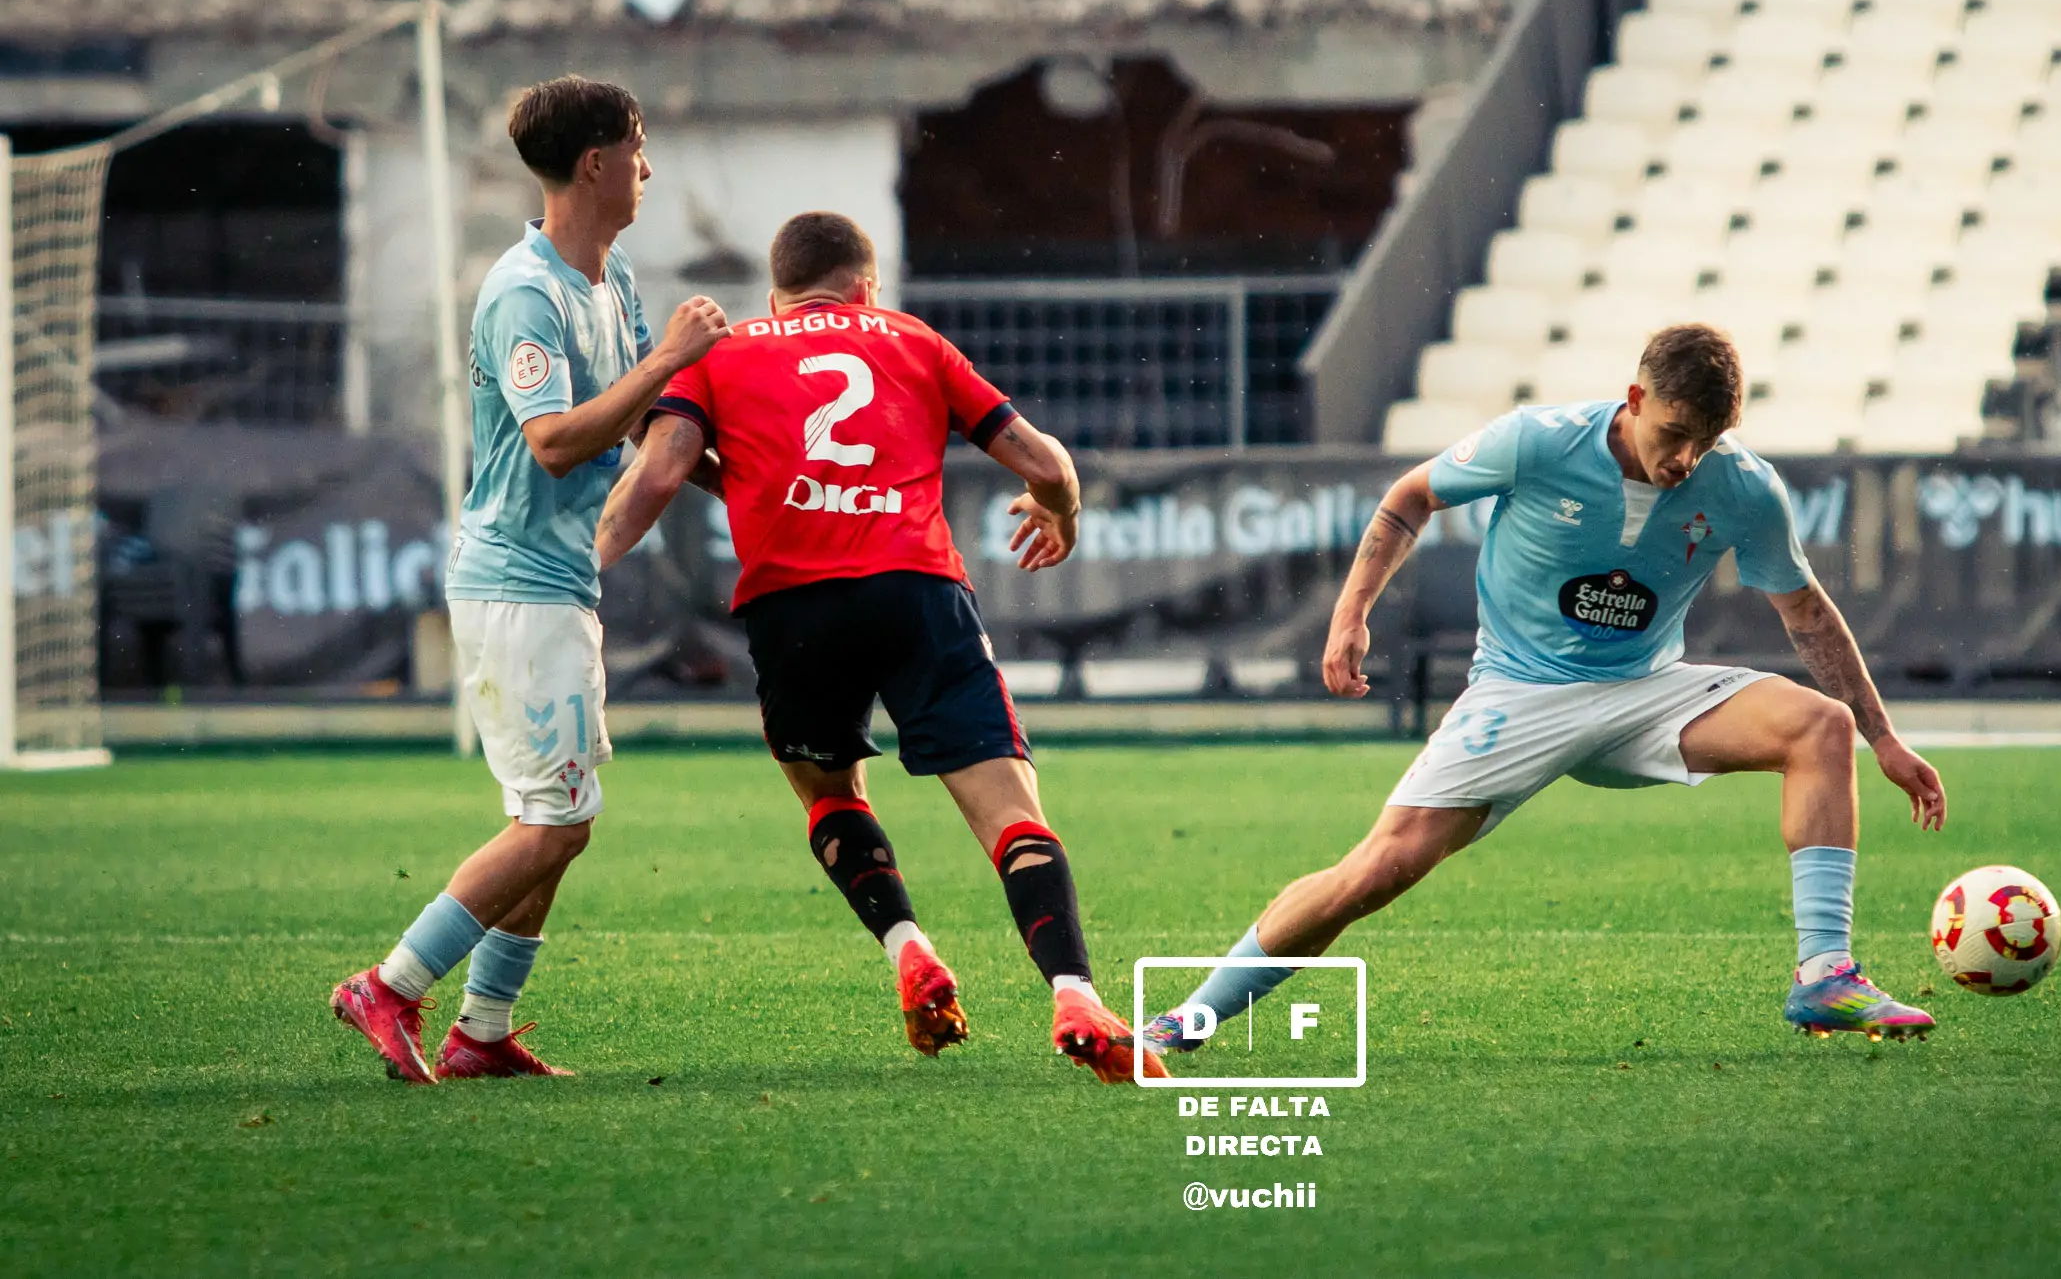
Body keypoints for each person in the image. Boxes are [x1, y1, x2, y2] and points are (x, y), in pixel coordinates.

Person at [1146, 323, 1948, 1054]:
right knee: (1376, 870)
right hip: (1520, 691)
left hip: (1645, 690)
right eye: (1673, 434)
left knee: (1821, 726)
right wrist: (1350, 615)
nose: (1684, 462)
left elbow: (1805, 611)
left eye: (1706, 443)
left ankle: (1824, 975)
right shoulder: (1537, 442)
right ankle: (1189, 1017)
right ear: (1635, 400)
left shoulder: (1743, 488)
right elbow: (1409, 497)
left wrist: (1884, 739)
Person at [593, 210, 1163, 1083]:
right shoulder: (911, 339)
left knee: (827, 792)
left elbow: (661, 474)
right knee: (1012, 814)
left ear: (775, 291)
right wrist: (1064, 513)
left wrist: (586, 564)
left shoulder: (725, 353)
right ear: (866, 285)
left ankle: (906, 943)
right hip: (915, 590)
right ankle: (1076, 993)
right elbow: (1043, 462)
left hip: (793, 608)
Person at [330, 77, 729, 1083]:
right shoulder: (524, 288)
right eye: (637, 146)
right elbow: (554, 441)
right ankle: (387, 985)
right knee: (556, 819)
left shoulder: (609, 277)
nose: (648, 165)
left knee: (558, 817)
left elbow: (642, 422)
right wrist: (671, 359)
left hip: (557, 584)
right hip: (516, 587)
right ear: (593, 162)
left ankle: (483, 1029)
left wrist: (759, 481)